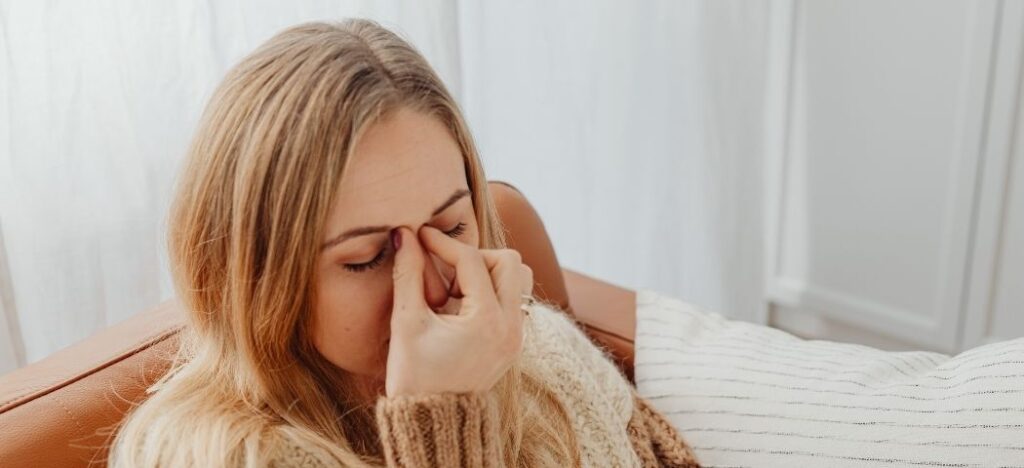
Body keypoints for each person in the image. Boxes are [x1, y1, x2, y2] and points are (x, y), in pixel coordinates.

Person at [110, 19, 699, 467]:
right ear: (257, 275)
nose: (432, 284)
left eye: (451, 230)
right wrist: (444, 418)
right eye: (367, 258)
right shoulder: (209, 452)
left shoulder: (533, 347)